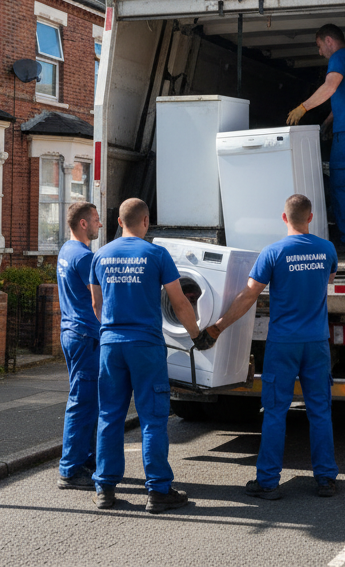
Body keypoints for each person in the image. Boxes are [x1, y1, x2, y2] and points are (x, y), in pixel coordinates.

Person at [206, 194, 339, 499]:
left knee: (276, 412)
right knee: (320, 410)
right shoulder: (327, 249)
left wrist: (218, 326)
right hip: (317, 343)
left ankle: (268, 482)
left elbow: (249, 295)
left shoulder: (273, 252)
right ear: (311, 217)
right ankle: (325, 480)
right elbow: (328, 279)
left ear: (284, 218)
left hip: (283, 344)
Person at [89, 198, 203, 512]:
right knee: (152, 418)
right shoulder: (156, 255)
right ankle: (157, 491)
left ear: (118, 222)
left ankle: (105, 489)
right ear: (146, 221)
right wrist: (197, 335)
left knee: (110, 416)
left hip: (111, 344)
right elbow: (179, 302)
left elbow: (97, 306)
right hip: (145, 345)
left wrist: (112, 331)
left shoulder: (100, 255)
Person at [286, 24, 345, 253]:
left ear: (329, 41)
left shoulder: (339, 58)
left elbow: (330, 87)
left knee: (342, 186)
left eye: (319, 46)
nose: (319, 52)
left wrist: (302, 108)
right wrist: (326, 123)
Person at [55, 201, 102, 491]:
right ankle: (70, 470)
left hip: (72, 332)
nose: (99, 224)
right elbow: (99, 297)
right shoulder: (85, 257)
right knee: (82, 402)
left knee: (88, 401)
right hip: (85, 334)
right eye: (95, 220)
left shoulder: (65, 250)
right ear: (83, 223)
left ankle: (86, 461)